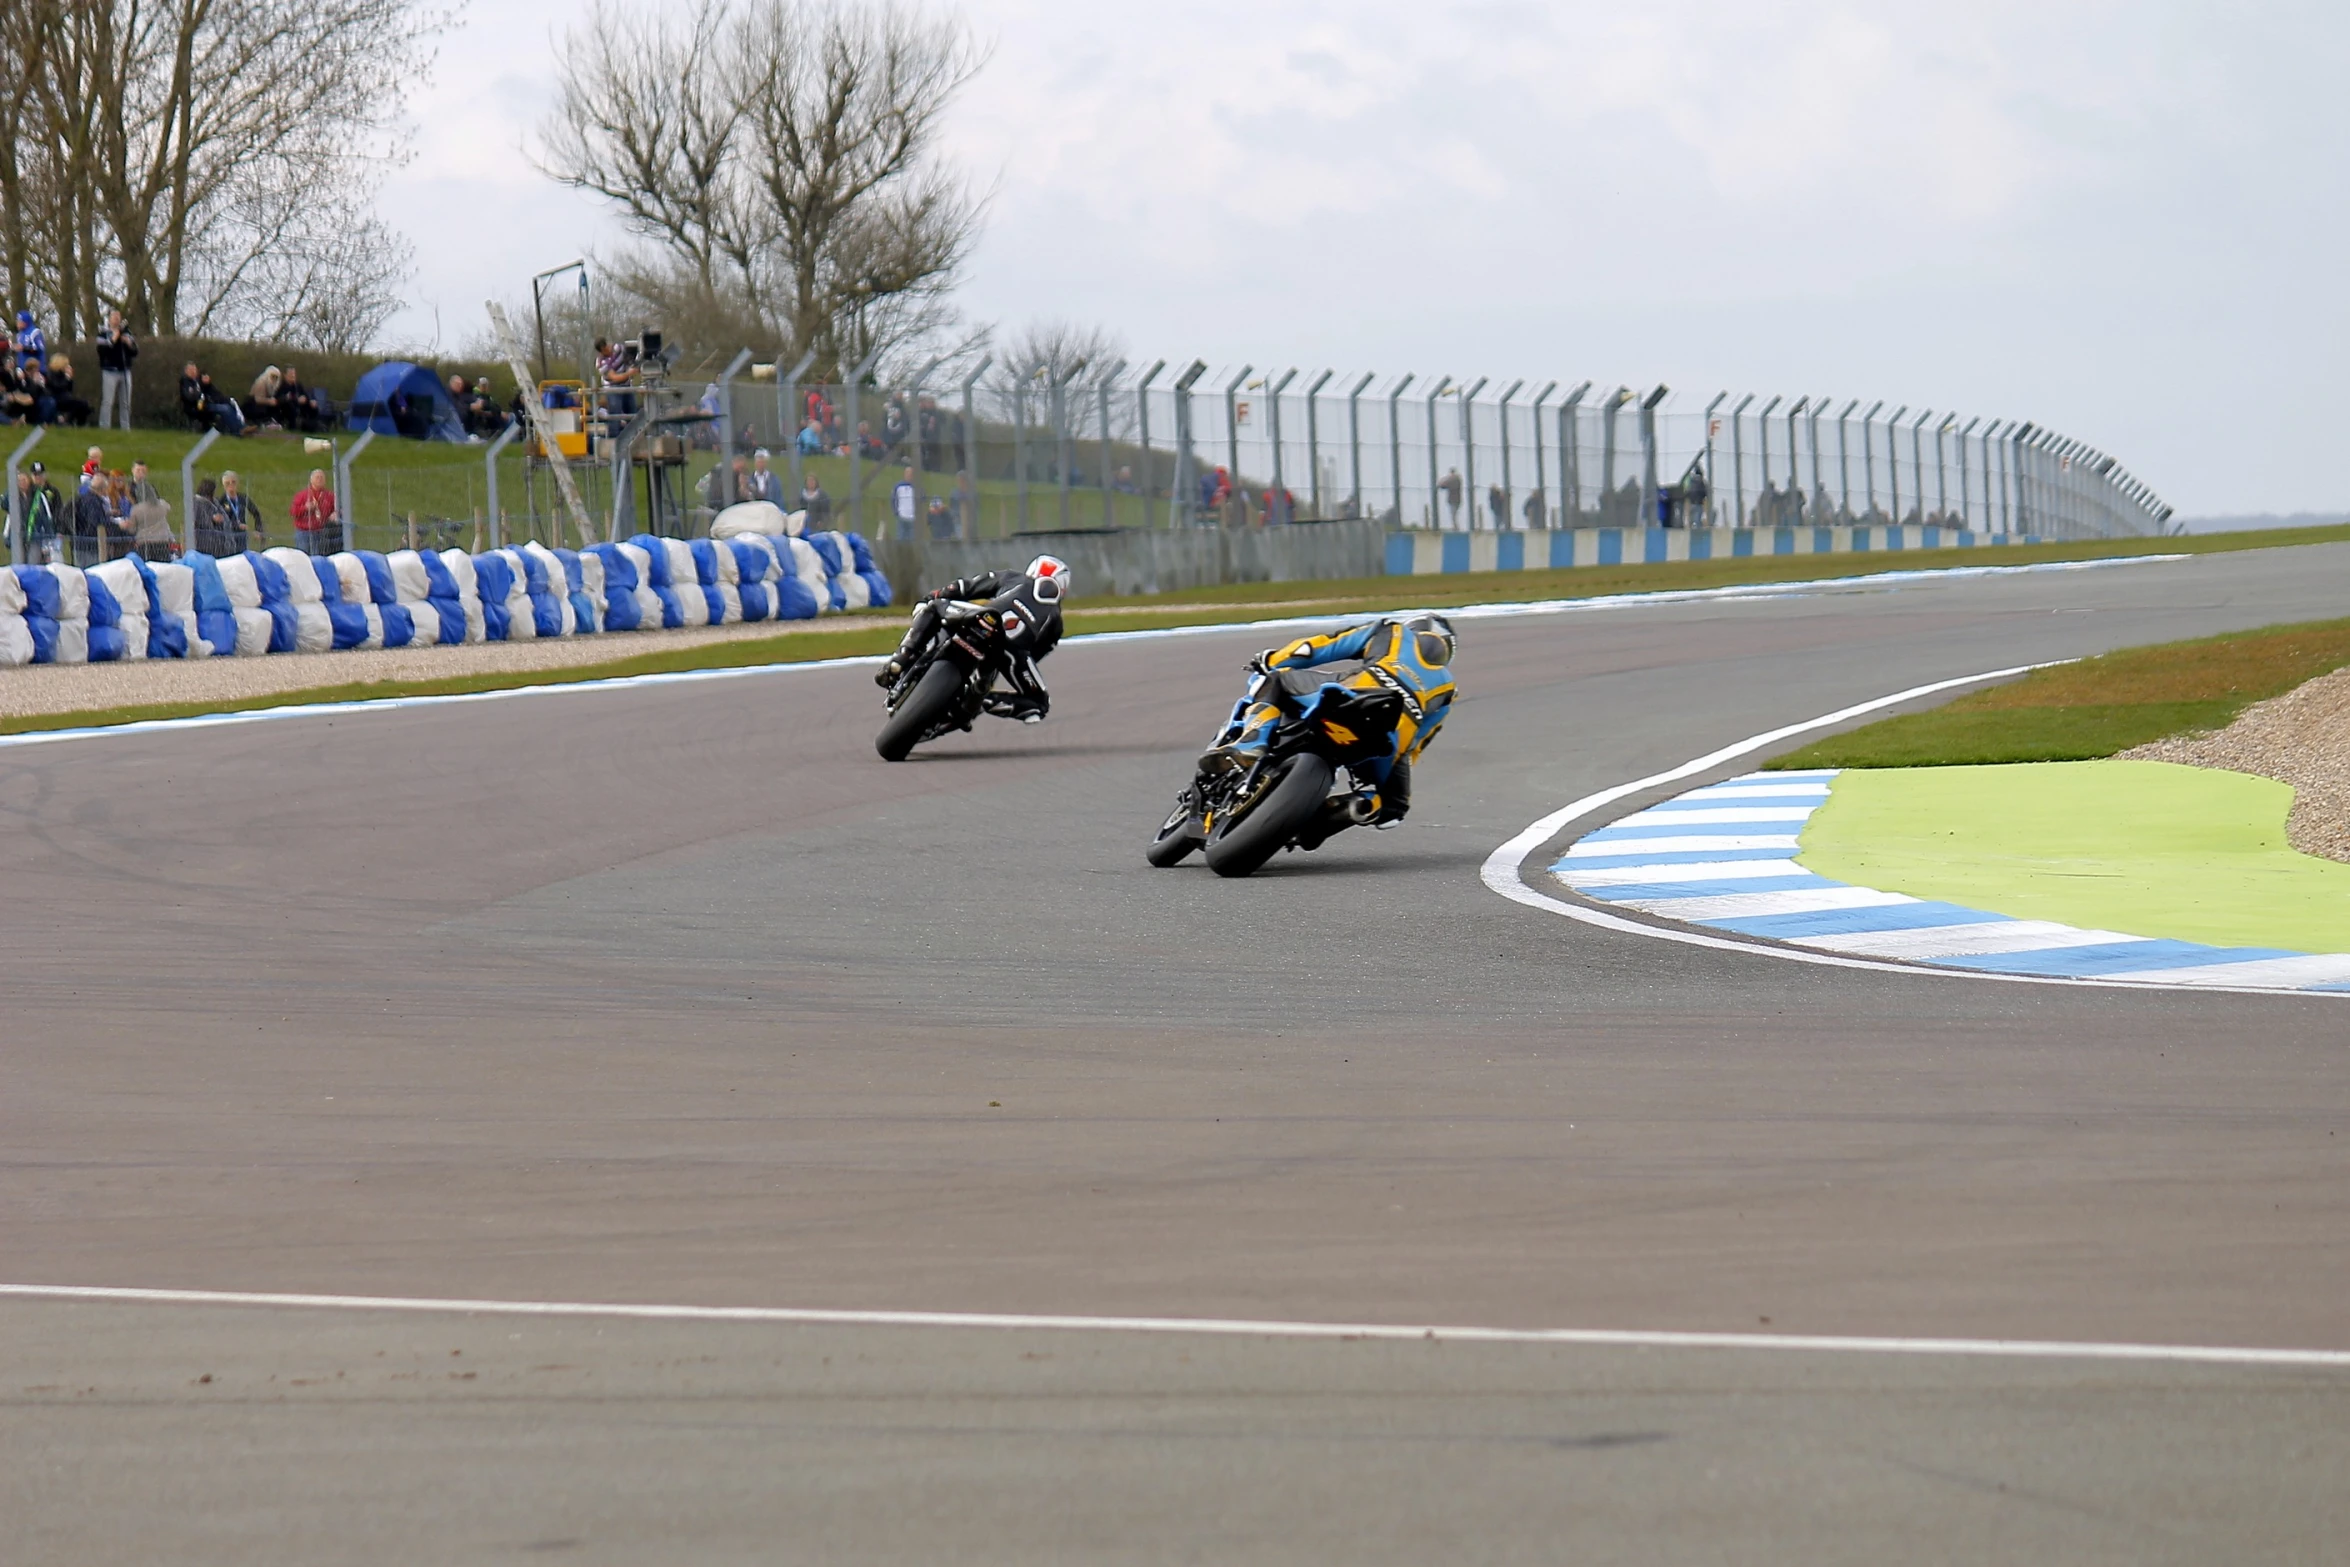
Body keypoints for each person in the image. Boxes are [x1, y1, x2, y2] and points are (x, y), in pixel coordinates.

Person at [1201, 612, 1457, 826]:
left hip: (1352, 696)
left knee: (1277, 680)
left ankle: (1250, 743)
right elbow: (1417, 744)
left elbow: (1316, 648)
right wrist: (1393, 781)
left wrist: (1271, 659)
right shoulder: (1448, 690)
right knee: (1393, 809)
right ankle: (1338, 814)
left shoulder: (1393, 631)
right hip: (1387, 739)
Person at [876, 555, 1071, 723]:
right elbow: (1037, 653)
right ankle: (984, 699)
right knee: (1040, 703)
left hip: (982, 617)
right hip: (1010, 650)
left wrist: (934, 596)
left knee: (933, 606)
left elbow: (966, 587)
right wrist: (1014, 664)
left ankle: (902, 657)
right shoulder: (1056, 621)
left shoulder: (1014, 577)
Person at [95, 310, 136, 429]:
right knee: (108, 401)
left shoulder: (127, 333)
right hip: (109, 370)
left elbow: (134, 351)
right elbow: (102, 351)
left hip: (125, 371)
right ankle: (104, 426)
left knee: (126, 402)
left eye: (118, 317)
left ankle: (125, 426)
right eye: (114, 317)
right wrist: (113, 339)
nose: (116, 319)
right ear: (109, 319)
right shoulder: (103, 333)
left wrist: (128, 343)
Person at [16, 461, 62, 563]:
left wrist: (57, 529)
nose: (38, 478)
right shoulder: (27, 493)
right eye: (35, 475)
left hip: (48, 533)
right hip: (31, 533)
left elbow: (57, 510)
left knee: (50, 562)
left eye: (40, 475)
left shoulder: (52, 491)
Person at [289, 468, 337, 554]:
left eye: (322, 477)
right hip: (304, 532)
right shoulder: (302, 495)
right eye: (317, 477)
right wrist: (305, 508)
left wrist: (336, 513)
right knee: (303, 557)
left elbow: (339, 509)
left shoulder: (329, 496)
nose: (320, 479)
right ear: (311, 480)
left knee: (319, 557)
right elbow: (293, 512)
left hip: (321, 532)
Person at [214, 471, 263, 551]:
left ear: (237, 483)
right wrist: (236, 525)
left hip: (242, 536)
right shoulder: (221, 501)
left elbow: (256, 513)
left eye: (233, 482)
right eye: (227, 483)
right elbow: (220, 520)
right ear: (223, 486)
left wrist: (258, 530)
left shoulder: (243, 498)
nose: (231, 485)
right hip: (228, 536)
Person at [46, 355, 90, 426]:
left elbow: (69, 390)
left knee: (84, 404)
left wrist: (69, 379)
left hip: (66, 397)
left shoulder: (64, 375)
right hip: (56, 398)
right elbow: (57, 387)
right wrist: (67, 378)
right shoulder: (51, 374)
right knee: (80, 404)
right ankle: (67, 421)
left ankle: (79, 424)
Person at [891, 465, 918, 539]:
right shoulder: (898, 486)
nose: (909, 475)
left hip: (913, 518)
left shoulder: (917, 486)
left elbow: (922, 500)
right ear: (904, 474)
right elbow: (893, 500)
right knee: (901, 539)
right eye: (907, 473)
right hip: (901, 517)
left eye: (911, 473)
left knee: (913, 540)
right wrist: (896, 512)